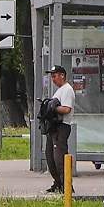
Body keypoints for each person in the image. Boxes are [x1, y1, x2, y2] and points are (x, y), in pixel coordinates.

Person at [41, 65, 78, 193]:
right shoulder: (60, 90)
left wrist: (52, 108)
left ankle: (67, 186)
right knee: (50, 157)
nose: (53, 79)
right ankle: (58, 183)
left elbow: (67, 109)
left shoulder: (67, 89)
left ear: (62, 75)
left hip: (61, 127)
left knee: (59, 158)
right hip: (54, 127)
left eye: (54, 76)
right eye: (51, 76)